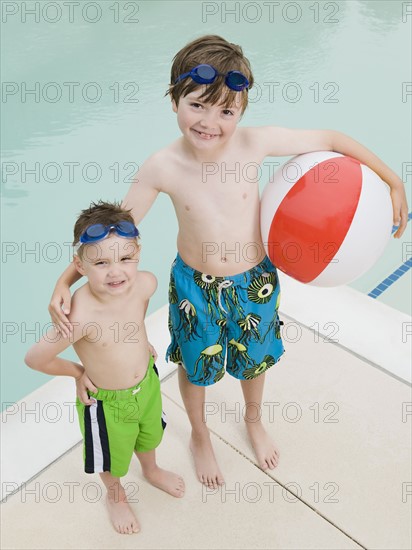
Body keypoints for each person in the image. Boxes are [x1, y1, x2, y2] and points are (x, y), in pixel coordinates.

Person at [48, 36, 408, 489]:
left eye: (226, 112)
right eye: (197, 105)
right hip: (194, 288)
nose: (209, 122)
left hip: (253, 281)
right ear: (174, 98)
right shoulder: (162, 166)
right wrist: (66, 279)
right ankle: (200, 434)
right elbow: (113, 234)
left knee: (255, 363)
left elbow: (332, 138)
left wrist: (392, 180)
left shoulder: (254, 144)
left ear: (241, 112)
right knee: (196, 369)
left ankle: (253, 420)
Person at [25, 201, 185, 535]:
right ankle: (115, 494)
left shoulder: (145, 284)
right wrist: (78, 374)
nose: (116, 272)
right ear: (80, 266)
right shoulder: (77, 317)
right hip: (106, 403)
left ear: (138, 253)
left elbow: (131, 321)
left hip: (148, 385)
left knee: (149, 434)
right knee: (110, 458)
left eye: (125, 258)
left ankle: (151, 469)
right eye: (100, 262)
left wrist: (138, 344)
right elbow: (35, 358)